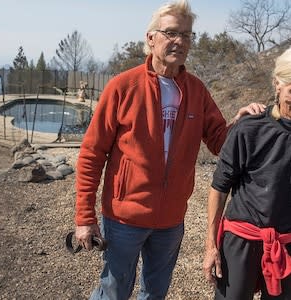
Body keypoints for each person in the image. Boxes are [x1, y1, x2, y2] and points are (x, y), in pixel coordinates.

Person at [73, 1, 265, 299]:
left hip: (171, 220)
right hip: (124, 217)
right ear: (151, 39)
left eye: (187, 35)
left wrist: (239, 123)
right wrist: (85, 217)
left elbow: (219, 143)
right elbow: (91, 154)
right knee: (113, 291)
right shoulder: (122, 87)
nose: (180, 41)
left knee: (156, 293)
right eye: (171, 33)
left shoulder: (196, 90)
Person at [202, 43, 291, 299]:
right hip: (241, 240)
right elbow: (219, 188)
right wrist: (211, 246)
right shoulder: (250, 128)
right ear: (277, 83)